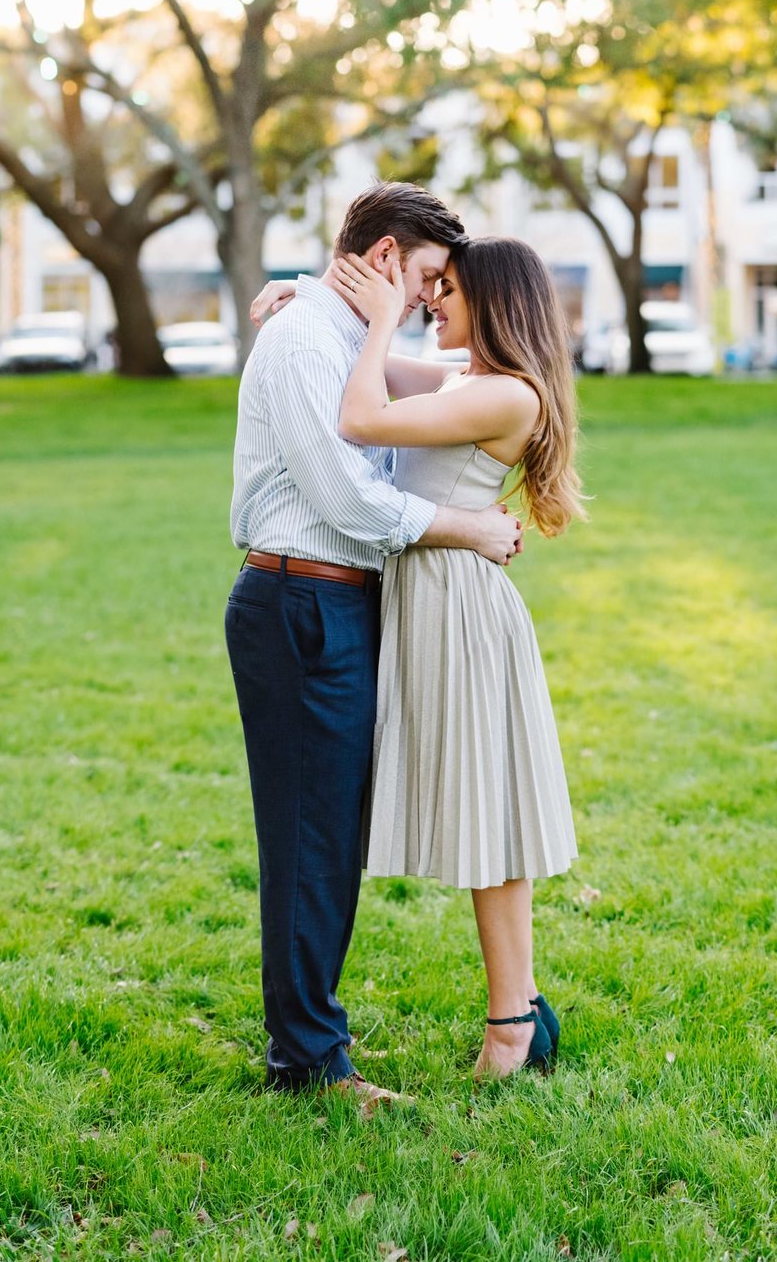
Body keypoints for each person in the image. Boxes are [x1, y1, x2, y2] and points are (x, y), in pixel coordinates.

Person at [224, 183, 524, 1114]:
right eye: (428, 276)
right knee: (312, 836)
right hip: (301, 599)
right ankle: (310, 1061)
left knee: (328, 834)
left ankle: (310, 1041)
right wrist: (466, 527)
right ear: (386, 259)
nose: (436, 298)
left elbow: (440, 404)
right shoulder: (309, 340)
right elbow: (349, 499)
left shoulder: (339, 336)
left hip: (334, 602)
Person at [322, 238, 583, 1080]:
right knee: (481, 811)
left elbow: (361, 414)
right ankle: (522, 1011)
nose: (434, 298)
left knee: (489, 816)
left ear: (496, 303)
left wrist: (381, 323)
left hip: (458, 609)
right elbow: (387, 373)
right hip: (433, 598)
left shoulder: (506, 394)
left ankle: (513, 1023)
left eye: (451, 291)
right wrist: (314, 306)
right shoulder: (470, 381)